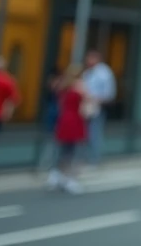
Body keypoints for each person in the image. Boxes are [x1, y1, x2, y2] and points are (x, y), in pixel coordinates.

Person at [46, 65, 89, 194]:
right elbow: (85, 109)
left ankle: (56, 175)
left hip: (64, 119)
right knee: (75, 152)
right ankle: (70, 179)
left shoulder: (63, 88)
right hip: (76, 120)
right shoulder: (79, 88)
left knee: (64, 150)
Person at [80, 49, 116, 167]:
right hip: (85, 106)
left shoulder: (104, 73)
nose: (88, 61)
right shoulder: (87, 73)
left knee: (94, 134)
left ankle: (94, 159)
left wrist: (95, 99)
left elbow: (109, 94)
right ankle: (85, 158)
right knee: (85, 134)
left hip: (97, 107)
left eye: (90, 58)